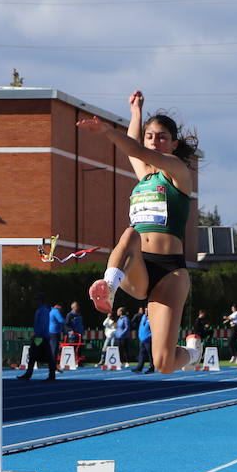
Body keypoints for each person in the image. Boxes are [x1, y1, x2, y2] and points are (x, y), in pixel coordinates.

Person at [80, 90, 202, 374]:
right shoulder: (144, 176)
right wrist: (136, 111)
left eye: (161, 137)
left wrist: (108, 130)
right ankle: (108, 287)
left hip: (170, 272)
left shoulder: (177, 172)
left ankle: (193, 353)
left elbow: (135, 149)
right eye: (150, 136)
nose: (155, 141)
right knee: (131, 234)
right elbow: (134, 146)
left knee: (164, 363)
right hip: (138, 266)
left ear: (174, 143)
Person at [17, 292, 57, 382]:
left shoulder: (42, 310)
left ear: (40, 301)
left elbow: (42, 324)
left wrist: (37, 335)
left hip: (41, 337)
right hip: (41, 336)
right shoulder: (42, 310)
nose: (34, 302)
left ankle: (50, 375)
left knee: (39, 356)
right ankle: (50, 374)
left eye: (35, 300)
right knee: (36, 355)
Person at [131, 308, 155, 373]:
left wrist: (150, 336)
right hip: (142, 338)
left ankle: (152, 367)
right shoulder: (143, 317)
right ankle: (139, 367)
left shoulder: (152, 318)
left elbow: (155, 329)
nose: (146, 312)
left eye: (147, 311)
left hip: (148, 339)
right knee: (141, 354)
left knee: (150, 354)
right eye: (145, 311)